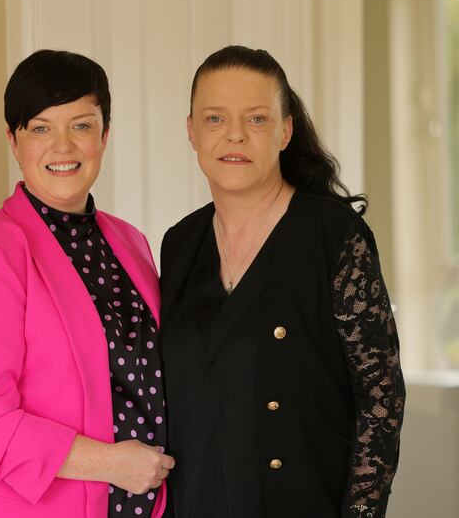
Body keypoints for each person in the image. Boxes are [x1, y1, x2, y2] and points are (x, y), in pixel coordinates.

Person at [159, 45, 405, 517]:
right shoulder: (179, 243)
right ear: (191, 130)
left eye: (256, 119)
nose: (234, 135)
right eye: (214, 119)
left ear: (286, 130)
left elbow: (381, 399)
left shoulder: (334, 237)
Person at [0, 49, 174, 518]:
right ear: (13, 140)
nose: (62, 147)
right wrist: (111, 464)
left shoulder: (131, 242)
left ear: (105, 135)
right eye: (41, 128)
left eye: (81, 125)